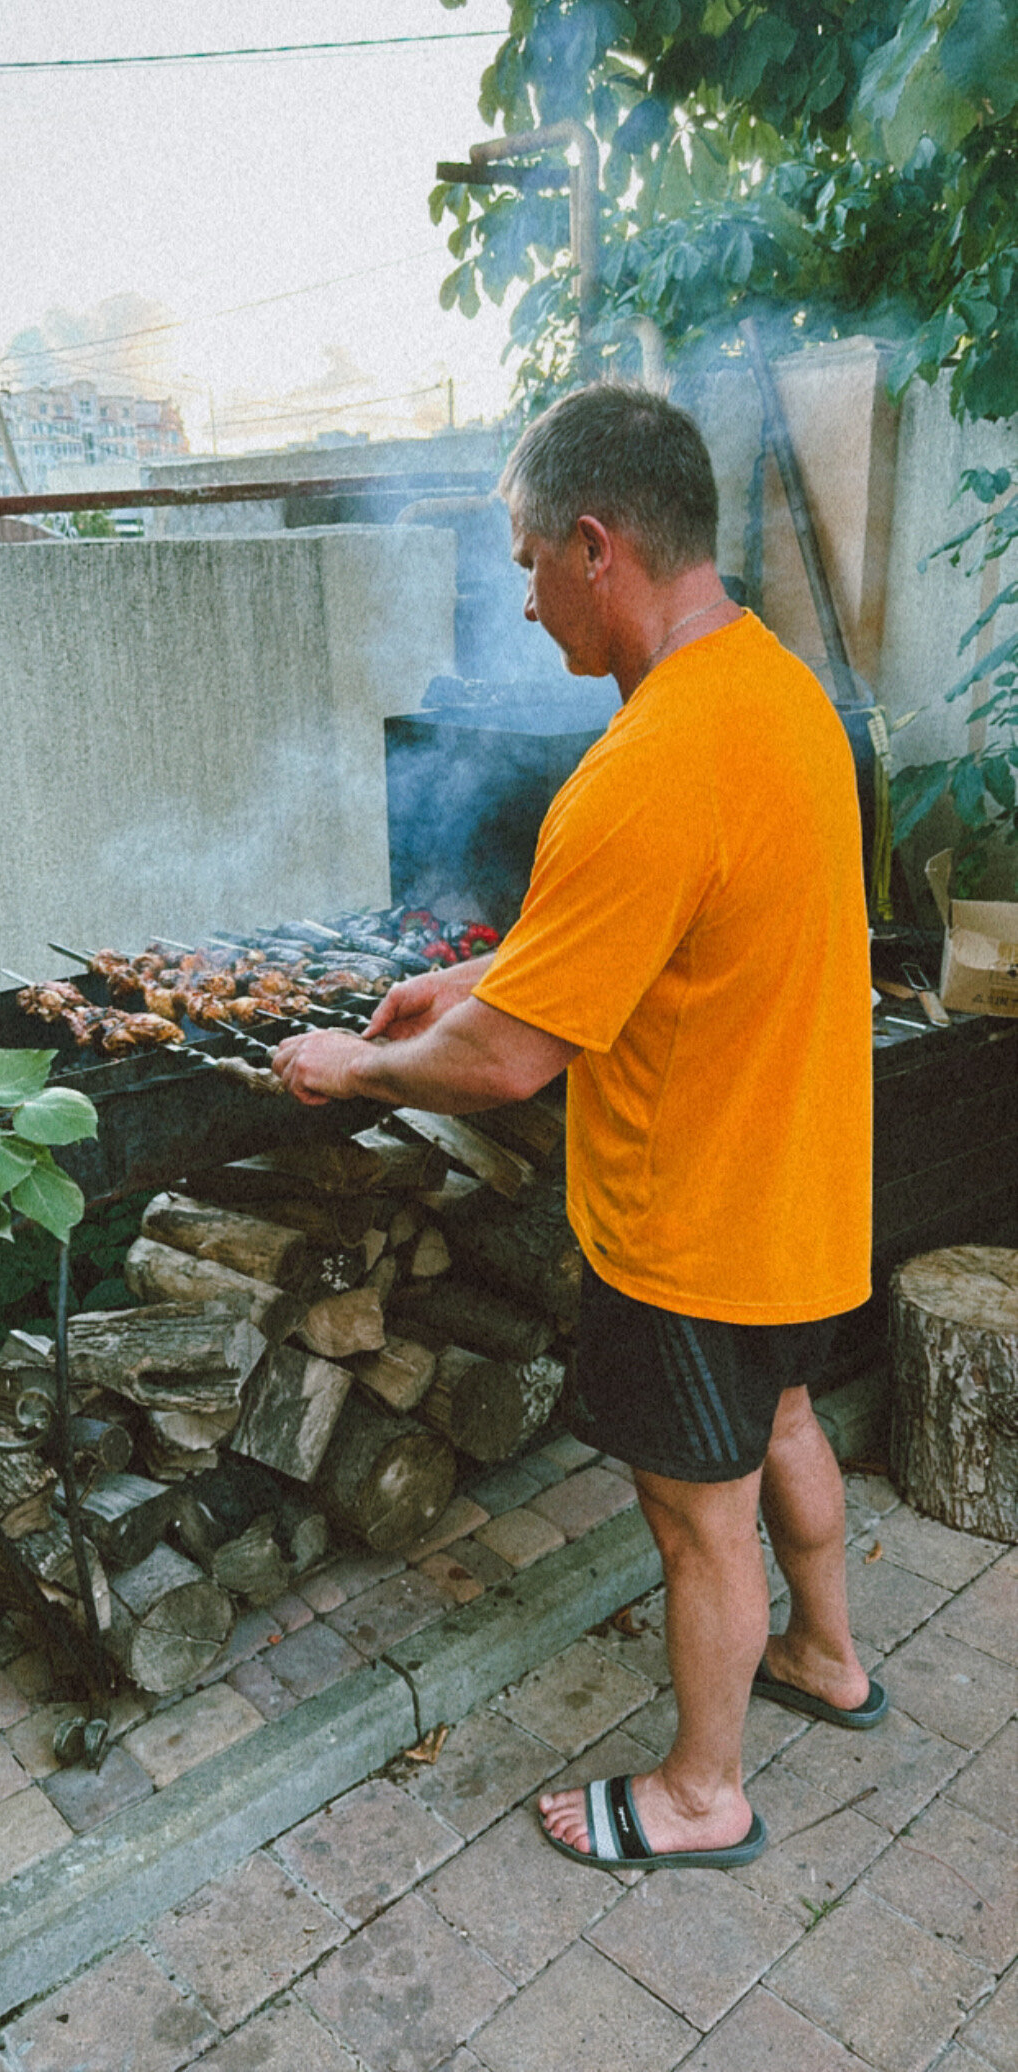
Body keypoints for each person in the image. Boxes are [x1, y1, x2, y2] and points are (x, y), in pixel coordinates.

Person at [273, 383, 884, 1875]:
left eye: (531, 560)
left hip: (692, 1218)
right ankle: (830, 1658)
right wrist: (467, 974)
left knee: (697, 1516)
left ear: (598, 547)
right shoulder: (779, 694)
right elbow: (662, 934)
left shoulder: (649, 760)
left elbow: (508, 1071)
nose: (528, 601)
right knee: (785, 1420)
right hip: (804, 1186)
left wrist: (350, 1069)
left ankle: (702, 1791)